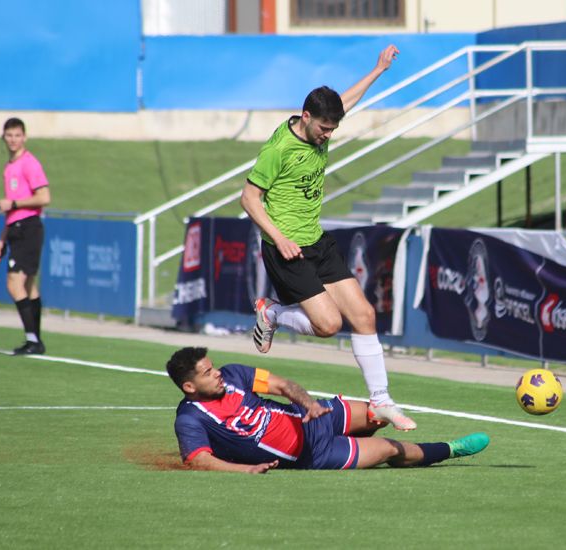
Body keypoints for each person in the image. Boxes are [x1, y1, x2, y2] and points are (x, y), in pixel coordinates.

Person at [240, 45, 417, 431]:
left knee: (365, 315)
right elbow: (249, 198)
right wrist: (279, 237)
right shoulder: (280, 148)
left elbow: (346, 101)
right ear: (306, 117)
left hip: (317, 242)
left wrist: (378, 70)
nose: (328, 135)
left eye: (333, 129)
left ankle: (382, 400)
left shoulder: (323, 125)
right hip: (285, 249)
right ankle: (270, 312)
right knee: (328, 326)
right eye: (323, 128)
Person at [166, 347, 489, 474]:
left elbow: (281, 385)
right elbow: (200, 460)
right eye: (208, 373)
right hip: (314, 454)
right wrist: (246, 470)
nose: (217, 372)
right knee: (389, 449)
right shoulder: (190, 419)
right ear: (189, 387)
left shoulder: (234, 373)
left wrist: (309, 404)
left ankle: (379, 414)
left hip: (314, 416)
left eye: (213, 367)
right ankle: (451, 449)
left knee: (374, 415)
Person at [0, 118, 50, 355]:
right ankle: (35, 340)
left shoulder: (29, 163)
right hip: (15, 228)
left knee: (14, 284)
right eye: (9, 135)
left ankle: (33, 340)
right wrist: (2, 237)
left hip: (28, 227)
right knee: (27, 285)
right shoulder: (9, 166)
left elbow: (44, 197)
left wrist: (13, 202)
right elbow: (11, 210)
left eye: (17, 135)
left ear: (24, 137)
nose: (13, 140)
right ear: (4, 137)